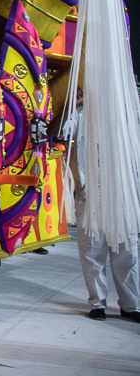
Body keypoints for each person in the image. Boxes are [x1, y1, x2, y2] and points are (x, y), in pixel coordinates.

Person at [70, 88, 140, 322]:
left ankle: (131, 304)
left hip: (121, 195)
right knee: (92, 251)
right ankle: (97, 303)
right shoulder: (79, 115)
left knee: (126, 251)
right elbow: (62, 138)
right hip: (90, 194)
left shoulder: (126, 117)